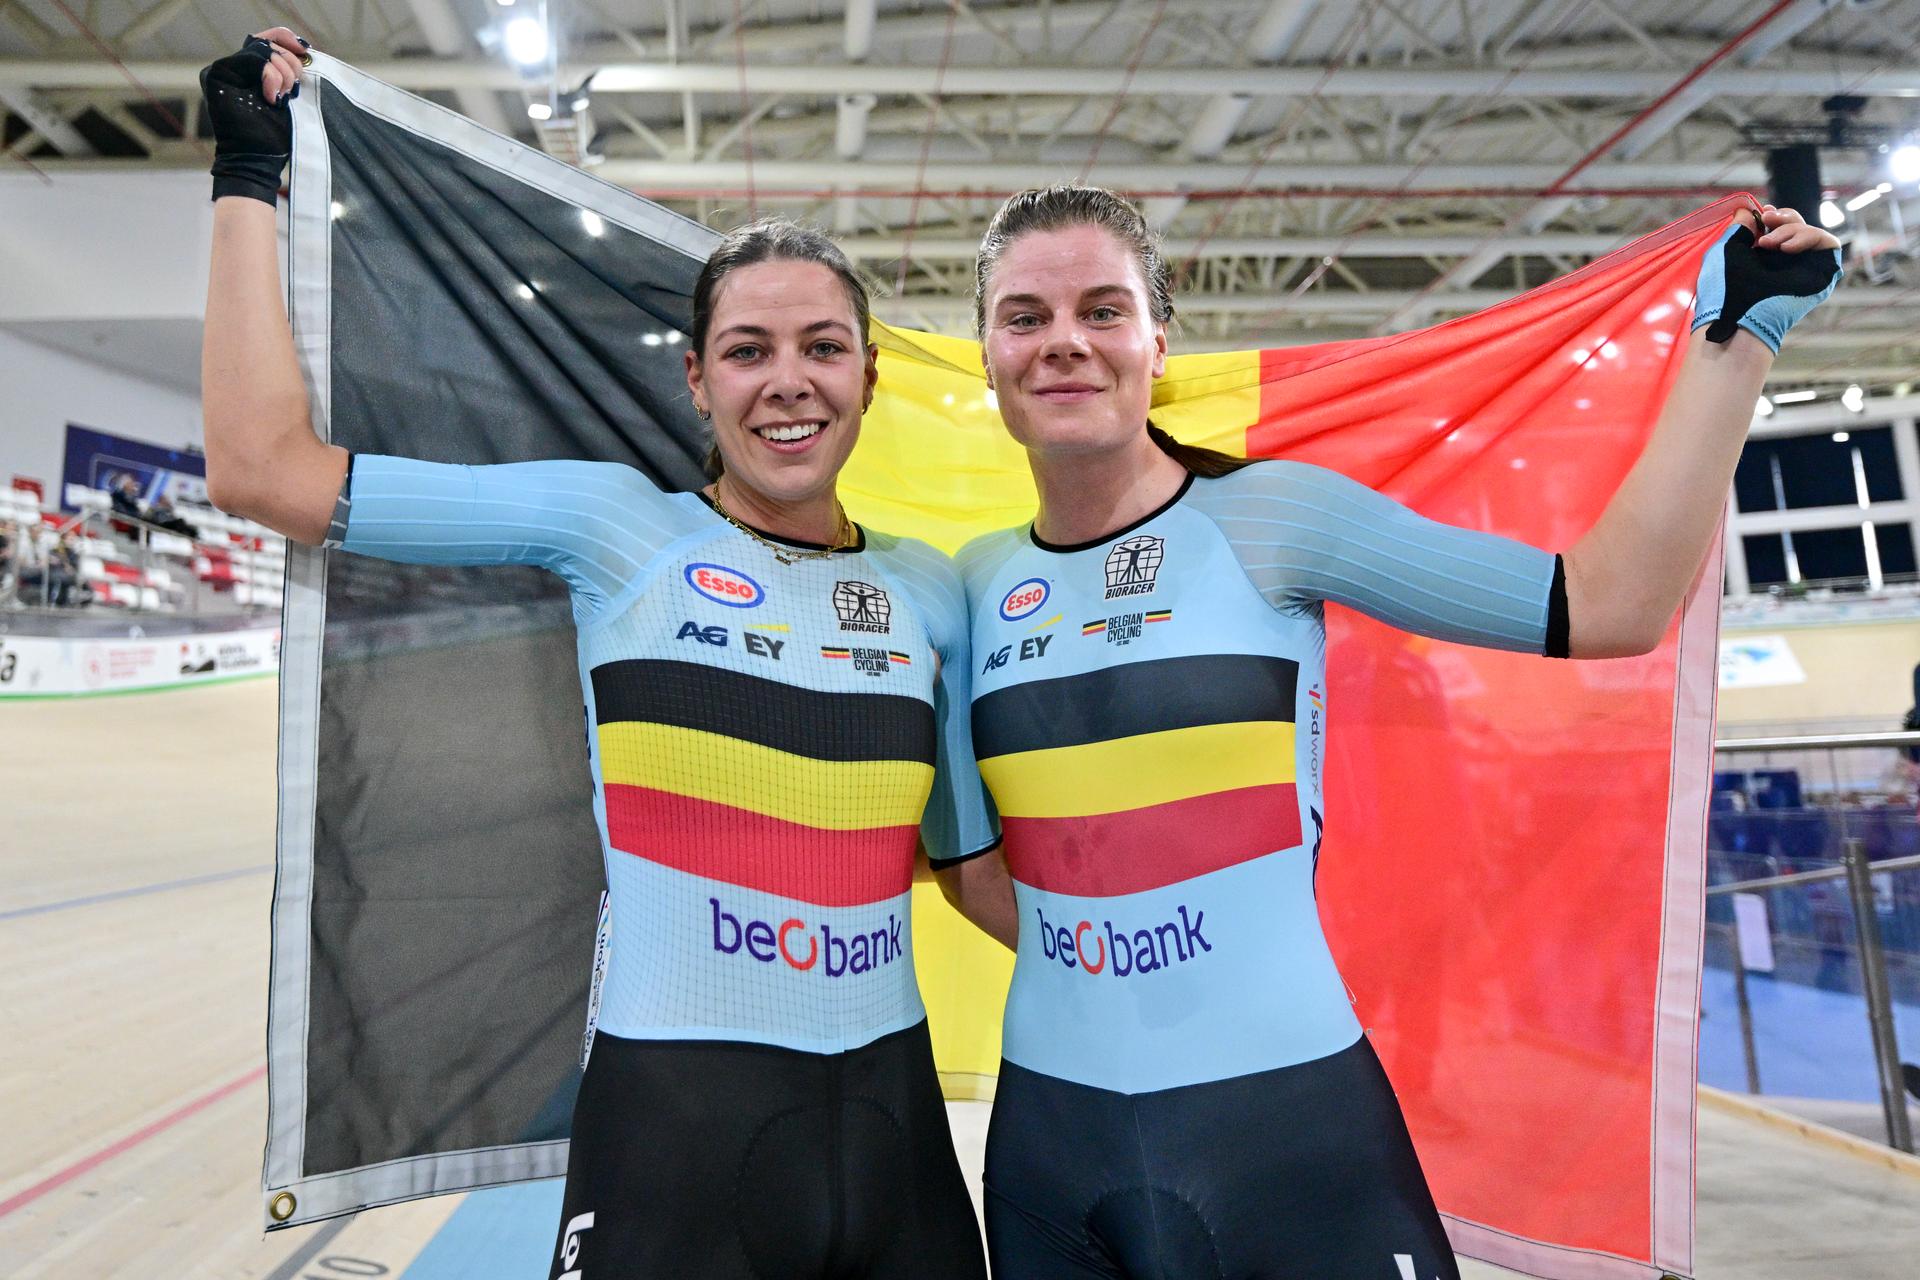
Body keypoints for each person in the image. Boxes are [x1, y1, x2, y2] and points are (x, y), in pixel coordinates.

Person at [199, 31, 994, 1280]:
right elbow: (263, 467)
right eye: (748, 349)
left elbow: (978, 873)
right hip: (672, 1131)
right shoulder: (613, 528)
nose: (787, 382)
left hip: (892, 1128)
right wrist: (248, 172)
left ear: (869, 376)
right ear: (695, 379)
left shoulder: (931, 595)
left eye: (822, 346)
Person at [939, 184, 1841, 1279]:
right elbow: (968, 863)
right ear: (984, 353)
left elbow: (1611, 603)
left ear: (1157, 343)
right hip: (1051, 1155)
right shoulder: (970, 590)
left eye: (1102, 309)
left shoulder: (1276, 519)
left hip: (1291, 1134)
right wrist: (1123, 960)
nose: (1064, 343)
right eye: (1025, 317)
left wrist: (1735, 339)